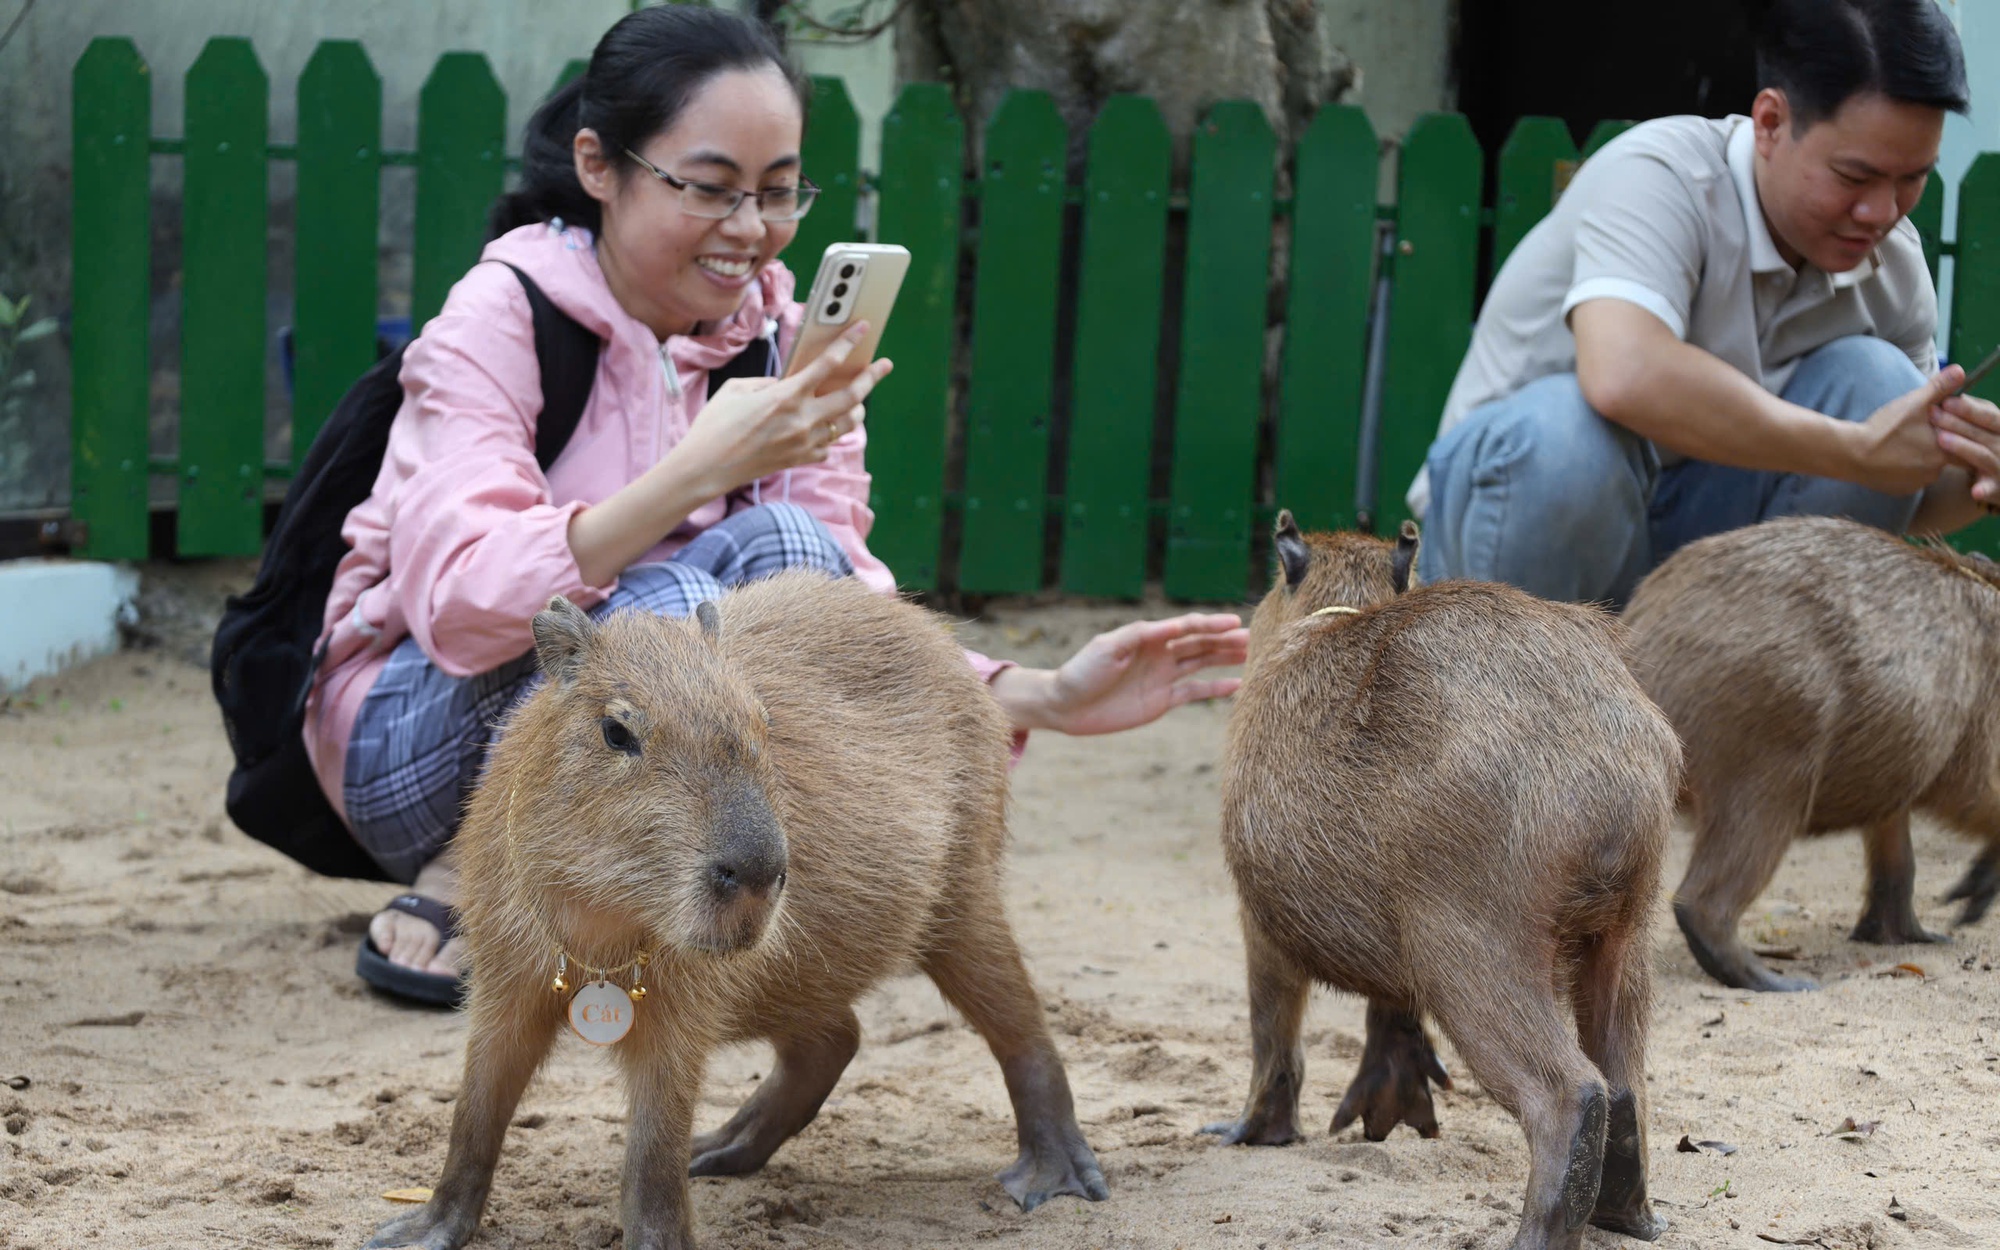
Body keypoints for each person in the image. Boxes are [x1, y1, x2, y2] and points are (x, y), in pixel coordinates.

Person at [303, 6, 1248, 1004]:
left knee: (780, 553)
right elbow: (460, 607)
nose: (750, 230)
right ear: (597, 164)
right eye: (709, 189)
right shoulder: (499, 315)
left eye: (778, 191)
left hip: (627, 754)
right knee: (671, 602)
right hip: (411, 739)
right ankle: (468, 869)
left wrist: (1030, 692)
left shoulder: (782, 342)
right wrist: (689, 478)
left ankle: (673, 882)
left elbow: (829, 606)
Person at [1412, 0, 2000, 605]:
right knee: (1567, 441)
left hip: (1696, 577)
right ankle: (1506, 690)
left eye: (1912, 178)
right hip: (1516, 539)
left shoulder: (1892, 263)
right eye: (1854, 177)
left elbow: (1893, 483)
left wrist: (1980, 476)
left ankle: (1748, 690)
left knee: (1878, 384)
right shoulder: (1660, 177)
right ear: (1770, 122)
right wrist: (1854, 450)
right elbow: (1624, 375)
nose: (1882, 211)